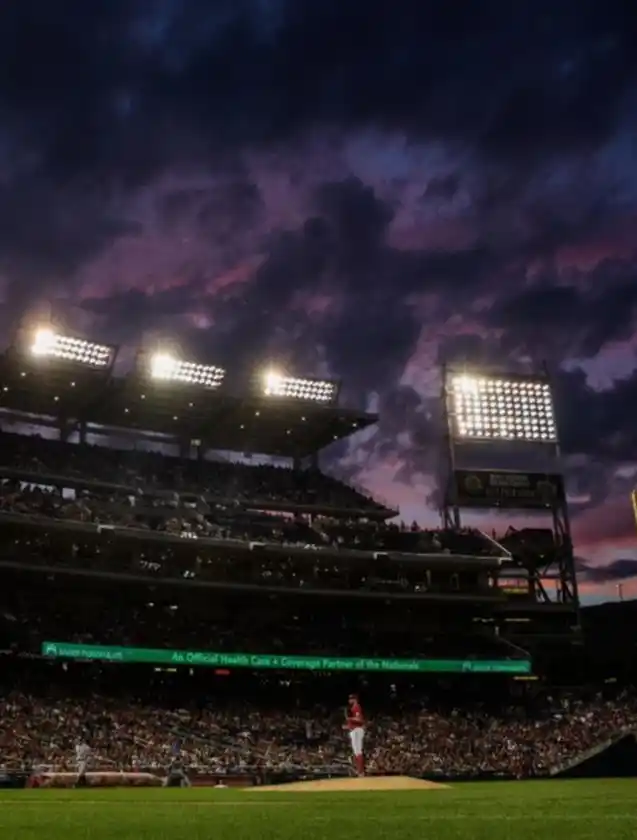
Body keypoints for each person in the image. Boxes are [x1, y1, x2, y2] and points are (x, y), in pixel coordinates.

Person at [345, 693, 365, 776]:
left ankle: (361, 771)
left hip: (357, 730)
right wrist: (347, 726)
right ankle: (359, 771)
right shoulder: (353, 708)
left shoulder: (356, 707)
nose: (349, 700)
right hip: (354, 730)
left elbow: (360, 720)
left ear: (355, 699)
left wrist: (349, 719)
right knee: (356, 752)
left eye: (351, 699)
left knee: (358, 751)